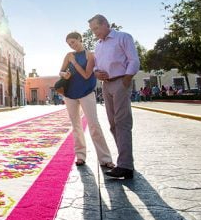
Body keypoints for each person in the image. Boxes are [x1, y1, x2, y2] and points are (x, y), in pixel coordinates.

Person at [89, 14, 140, 180]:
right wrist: (97, 72)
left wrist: (126, 79)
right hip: (106, 85)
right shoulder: (98, 45)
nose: (94, 32)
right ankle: (126, 162)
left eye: (96, 28)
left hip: (120, 82)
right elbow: (96, 65)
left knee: (122, 122)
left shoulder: (123, 37)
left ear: (105, 24)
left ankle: (125, 165)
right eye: (92, 30)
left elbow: (134, 60)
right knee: (113, 124)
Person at [59, 31, 115, 169]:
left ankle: (105, 158)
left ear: (80, 39)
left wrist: (74, 62)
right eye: (69, 44)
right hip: (70, 94)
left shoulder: (90, 55)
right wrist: (64, 74)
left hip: (86, 93)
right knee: (76, 126)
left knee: (94, 124)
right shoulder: (68, 55)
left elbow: (86, 75)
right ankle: (80, 156)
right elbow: (60, 71)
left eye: (73, 42)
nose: (71, 46)